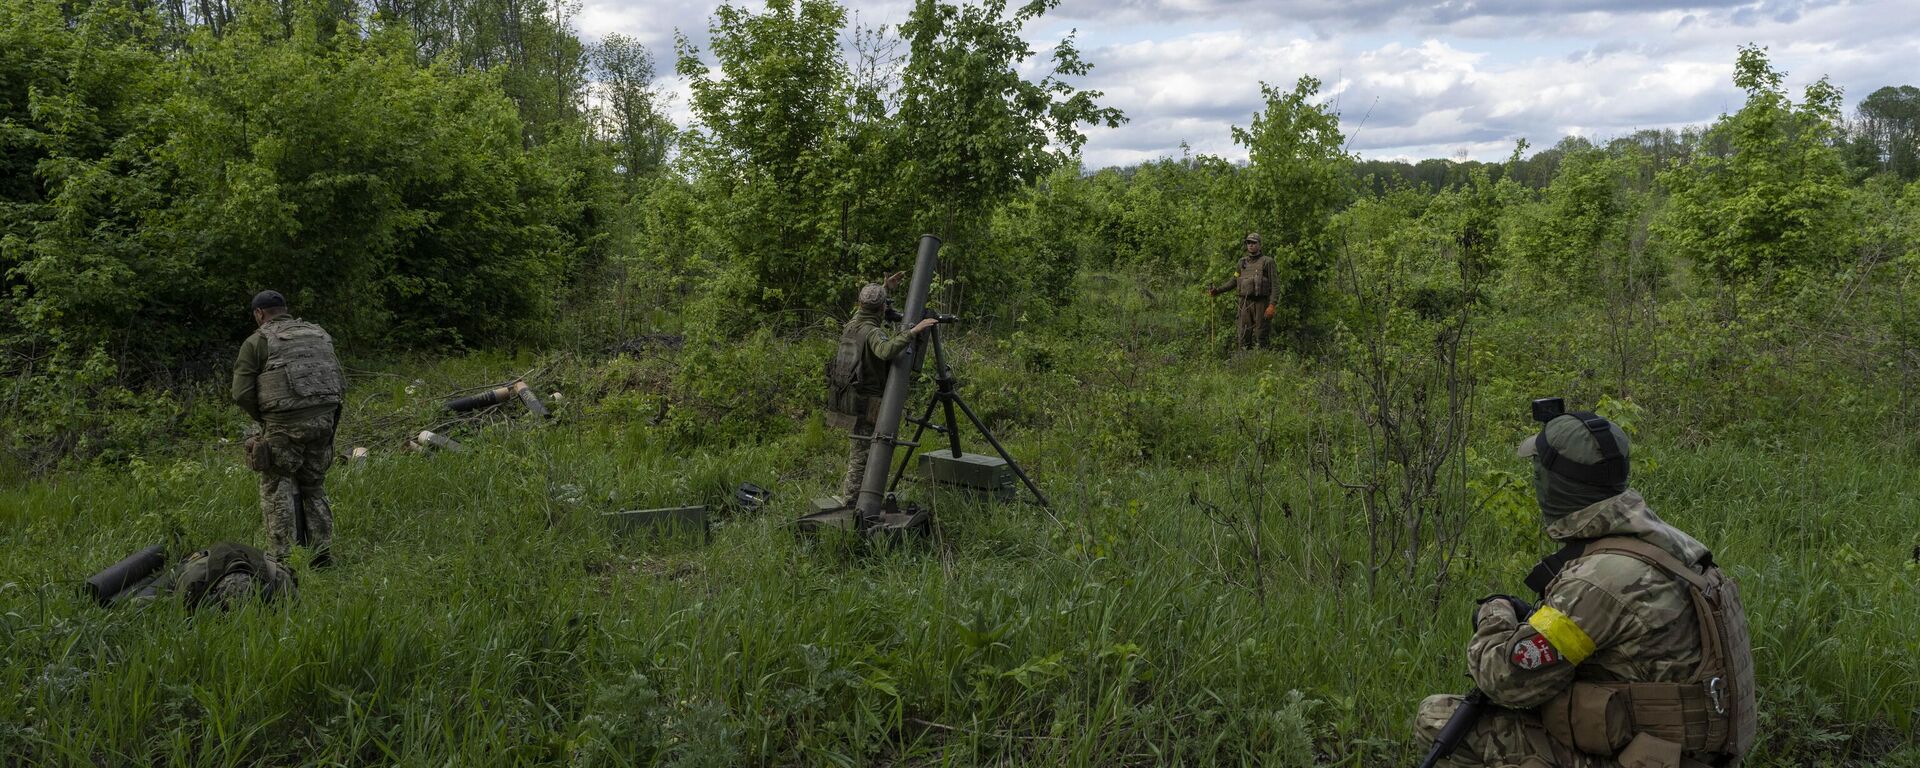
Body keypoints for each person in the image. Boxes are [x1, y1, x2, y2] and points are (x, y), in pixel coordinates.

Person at [1412, 408, 1755, 768]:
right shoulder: (1675, 546)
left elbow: (1507, 682)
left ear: (1551, 484)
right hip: (1693, 752)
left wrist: (1493, 612)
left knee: (1436, 717)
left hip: (1655, 758)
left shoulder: (1599, 581)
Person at [232, 290, 345, 565]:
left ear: (259, 314)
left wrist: (266, 419)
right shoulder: (319, 335)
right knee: (314, 484)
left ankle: (282, 560)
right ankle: (321, 555)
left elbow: (241, 393)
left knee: (276, 483)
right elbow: (338, 379)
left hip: (284, 425)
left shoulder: (257, 341)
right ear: (284, 309)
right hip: (324, 420)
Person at [824, 273, 939, 499]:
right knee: (862, 454)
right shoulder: (873, 332)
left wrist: (884, 288)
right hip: (866, 401)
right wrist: (912, 332)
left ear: (860, 305)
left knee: (860, 448)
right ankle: (851, 501)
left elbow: (868, 307)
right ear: (880, 309)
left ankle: (858, 497)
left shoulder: (852, 325)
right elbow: (885, 351)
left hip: (847, 397)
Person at [1207, 232, 1279, 349]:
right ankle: (1244, 363)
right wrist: (1217, 291)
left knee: (1261, 335)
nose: (1251, 245)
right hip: (1244, 303)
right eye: (1248, 243)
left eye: (1254, 243)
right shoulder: (1242, 262)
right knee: (1243, 335)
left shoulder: (1268, 262)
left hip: (1261, 303)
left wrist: (1272, 305)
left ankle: (1264, 362)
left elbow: (1275, 285)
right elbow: (1234, 281)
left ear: (1259, 245)